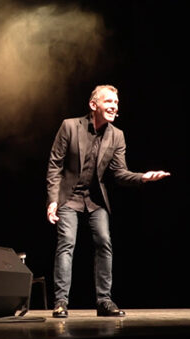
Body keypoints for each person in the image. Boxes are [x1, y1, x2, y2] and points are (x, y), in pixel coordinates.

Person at [46, 85, 170, 318]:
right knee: (67, 243)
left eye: (116, 102)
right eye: (109, 101)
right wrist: (53, 200)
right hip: (69, 196)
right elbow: (55, 165)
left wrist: (142, 177)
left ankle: (104, 301)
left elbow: (119, 174)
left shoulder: (117, 135)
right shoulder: (70, 126)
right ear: (94, 105)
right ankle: (61, 302)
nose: (114, 106)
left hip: (95, 200)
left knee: (104, 242)